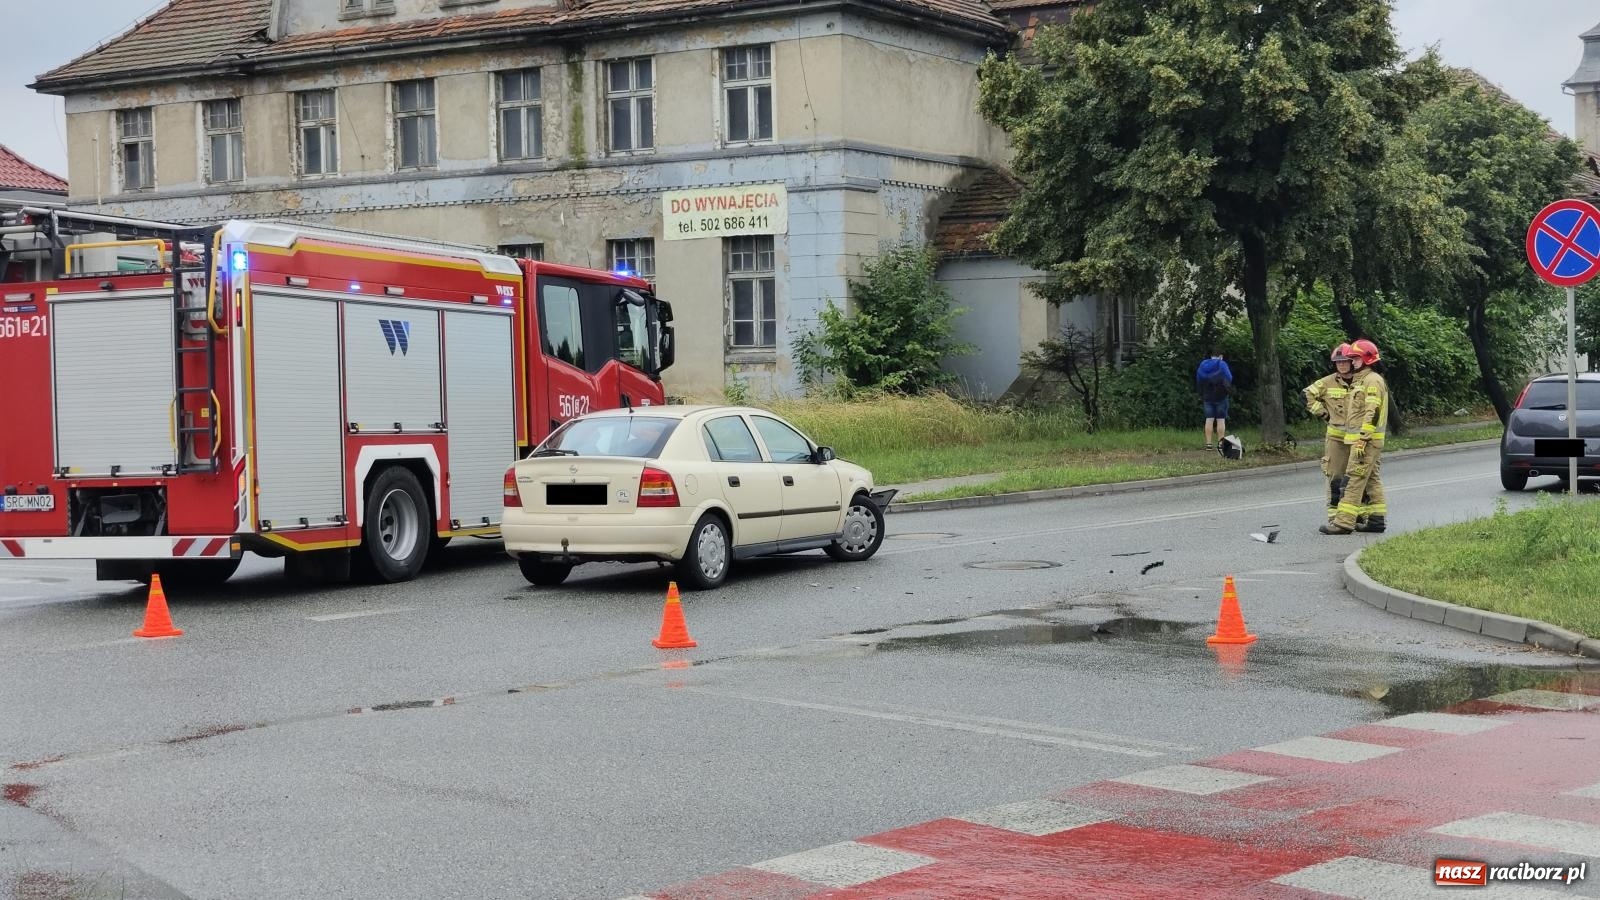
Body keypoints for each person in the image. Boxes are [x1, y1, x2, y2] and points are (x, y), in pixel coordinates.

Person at [1304, 344, 1361, 525]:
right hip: (1336, 439)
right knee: (1334, 476)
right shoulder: (1327, 382)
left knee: (1357, 477)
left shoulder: (1363, 381)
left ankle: (1357, 514)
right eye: (1338, 362)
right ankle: (1334, 516)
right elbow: (1306, 395)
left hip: (1359, 438)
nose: (1342, 365)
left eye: (1345, 361)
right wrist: (1323, 413)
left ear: (1352, 362)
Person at [1344, 338, 1389, 533]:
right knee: (1372, 479)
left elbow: (1373, 411)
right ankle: (1376, 521)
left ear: (1367, 359)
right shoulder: (1365, 379)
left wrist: (1363, 437)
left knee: (1354, 479)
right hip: (1368, 440)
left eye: (1355, 358)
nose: (1352, 362)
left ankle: (1343, 523)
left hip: (1366, 441)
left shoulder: (1372, 380)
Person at [1195, 351, 1233, 451]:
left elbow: (1198, 380)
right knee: (1221, 420)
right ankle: (1221, 444)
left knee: (1209, 419)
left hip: (1207, 395)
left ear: (1211, 356)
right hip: (1221, 395)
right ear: (1221, 356)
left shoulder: (1203, 364)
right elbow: (1229, 377)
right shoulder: (1222, 364)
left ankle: (1208, 444)